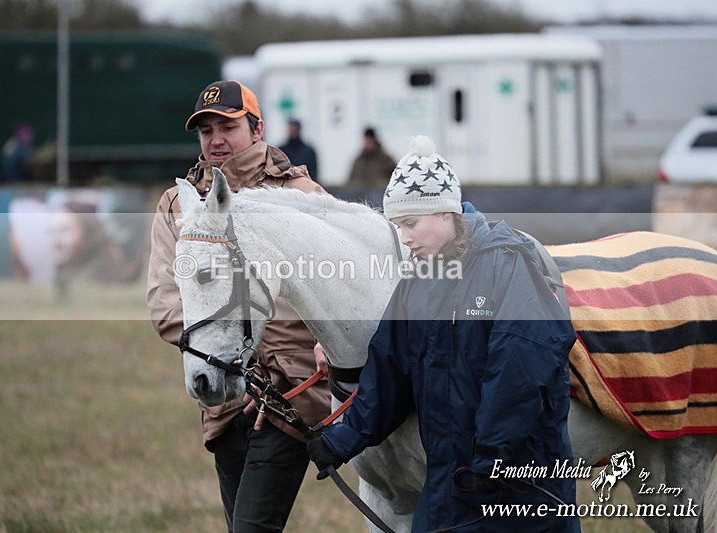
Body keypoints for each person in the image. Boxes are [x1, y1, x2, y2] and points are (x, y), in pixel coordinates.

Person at [308, 135, 580, 532]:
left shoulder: (508, 267)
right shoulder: (417, 282)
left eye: (411, 223)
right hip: (451, 489)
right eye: (398, 226)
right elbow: (388, 375)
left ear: (445, 213)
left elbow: (520, 377)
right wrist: (340, 439)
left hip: (523, 492)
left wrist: (492, 461)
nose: (405, 238)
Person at [146, 80, 331, 532]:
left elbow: (337, 296)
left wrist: (268, 372)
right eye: (205, 130)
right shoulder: (177, 204)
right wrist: (231, 362)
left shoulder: (301, 197)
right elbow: (166, 303)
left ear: (257, 128)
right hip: (223, 401)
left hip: (289, 397)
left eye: (227, 125)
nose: (216, 139)